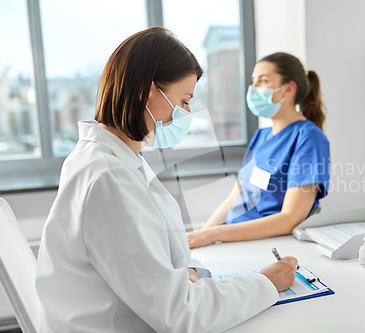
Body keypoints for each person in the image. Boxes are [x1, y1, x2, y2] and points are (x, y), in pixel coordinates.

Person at [35, 27, 298, 333]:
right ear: (145, 91)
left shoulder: (115, 160)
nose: (187, 113)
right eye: (184, 100)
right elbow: (180, 314)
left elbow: (155, 257)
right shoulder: (109, 176)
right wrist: (265, 283)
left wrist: (191, 270)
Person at [187, 52, 330, 249]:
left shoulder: (308, 138)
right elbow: (235, 197)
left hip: (264, 243)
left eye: (263, 81)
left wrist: (214, 234)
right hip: (231, 237)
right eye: (253, 81)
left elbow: (290, 218)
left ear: (288, 89)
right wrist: (199, 236)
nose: (253, 88)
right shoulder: (261, 135)